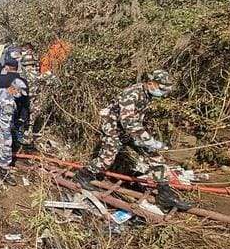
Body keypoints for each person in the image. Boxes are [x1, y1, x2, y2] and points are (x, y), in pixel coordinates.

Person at [74, 70, 190, 211]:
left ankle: (164, 194)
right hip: (114, 130)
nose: (163, 93)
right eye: (161, 89)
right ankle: (83, 175)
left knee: (155, 157)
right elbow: (128, 122)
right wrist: (149, 140)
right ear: (151, 83)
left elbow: (135, 121)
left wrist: (147, 142)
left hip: (132, 132)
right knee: (106, 159)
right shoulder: (132, 94)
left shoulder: (147, 95)